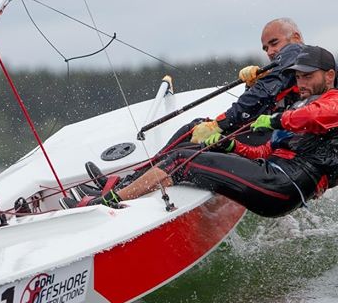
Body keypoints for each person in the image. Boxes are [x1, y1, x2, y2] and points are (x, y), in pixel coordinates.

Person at [61, 46, 338, 219]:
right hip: (275, 175)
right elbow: (266, 151)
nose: (301, 82)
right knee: (192, 147)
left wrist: (276, 120)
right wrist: (232, 147)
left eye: (308, 76)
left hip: (285, 187)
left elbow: (314, 116)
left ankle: (104, 203)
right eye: (298, 76)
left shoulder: (330, 102)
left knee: (182, 160)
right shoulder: (303, 103)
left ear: (329, 75)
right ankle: (123, 187)